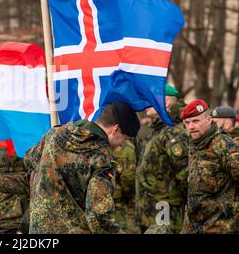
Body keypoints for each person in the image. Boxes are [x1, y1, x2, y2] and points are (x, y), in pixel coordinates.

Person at [22, 102, 139, 234]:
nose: (123, 144)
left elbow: (29, 160)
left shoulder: (55, 134)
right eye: (125, 138)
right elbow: (98, 216)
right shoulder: (102, 157)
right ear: (115, 129)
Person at [135, 85, 189, 233]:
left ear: (165, 102)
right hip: (150, 213)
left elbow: (185, 176)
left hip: (165, 213)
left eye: (149, 99)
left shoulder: (174, 133)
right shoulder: (157, 131)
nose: (145, 103)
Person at [181, 100, 239, 234]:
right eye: (187, 123)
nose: (191, 127)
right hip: (196, 227)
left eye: (196, 121)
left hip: (222, 228)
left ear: (209, 119)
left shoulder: (224, 145)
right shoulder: (195, 145)